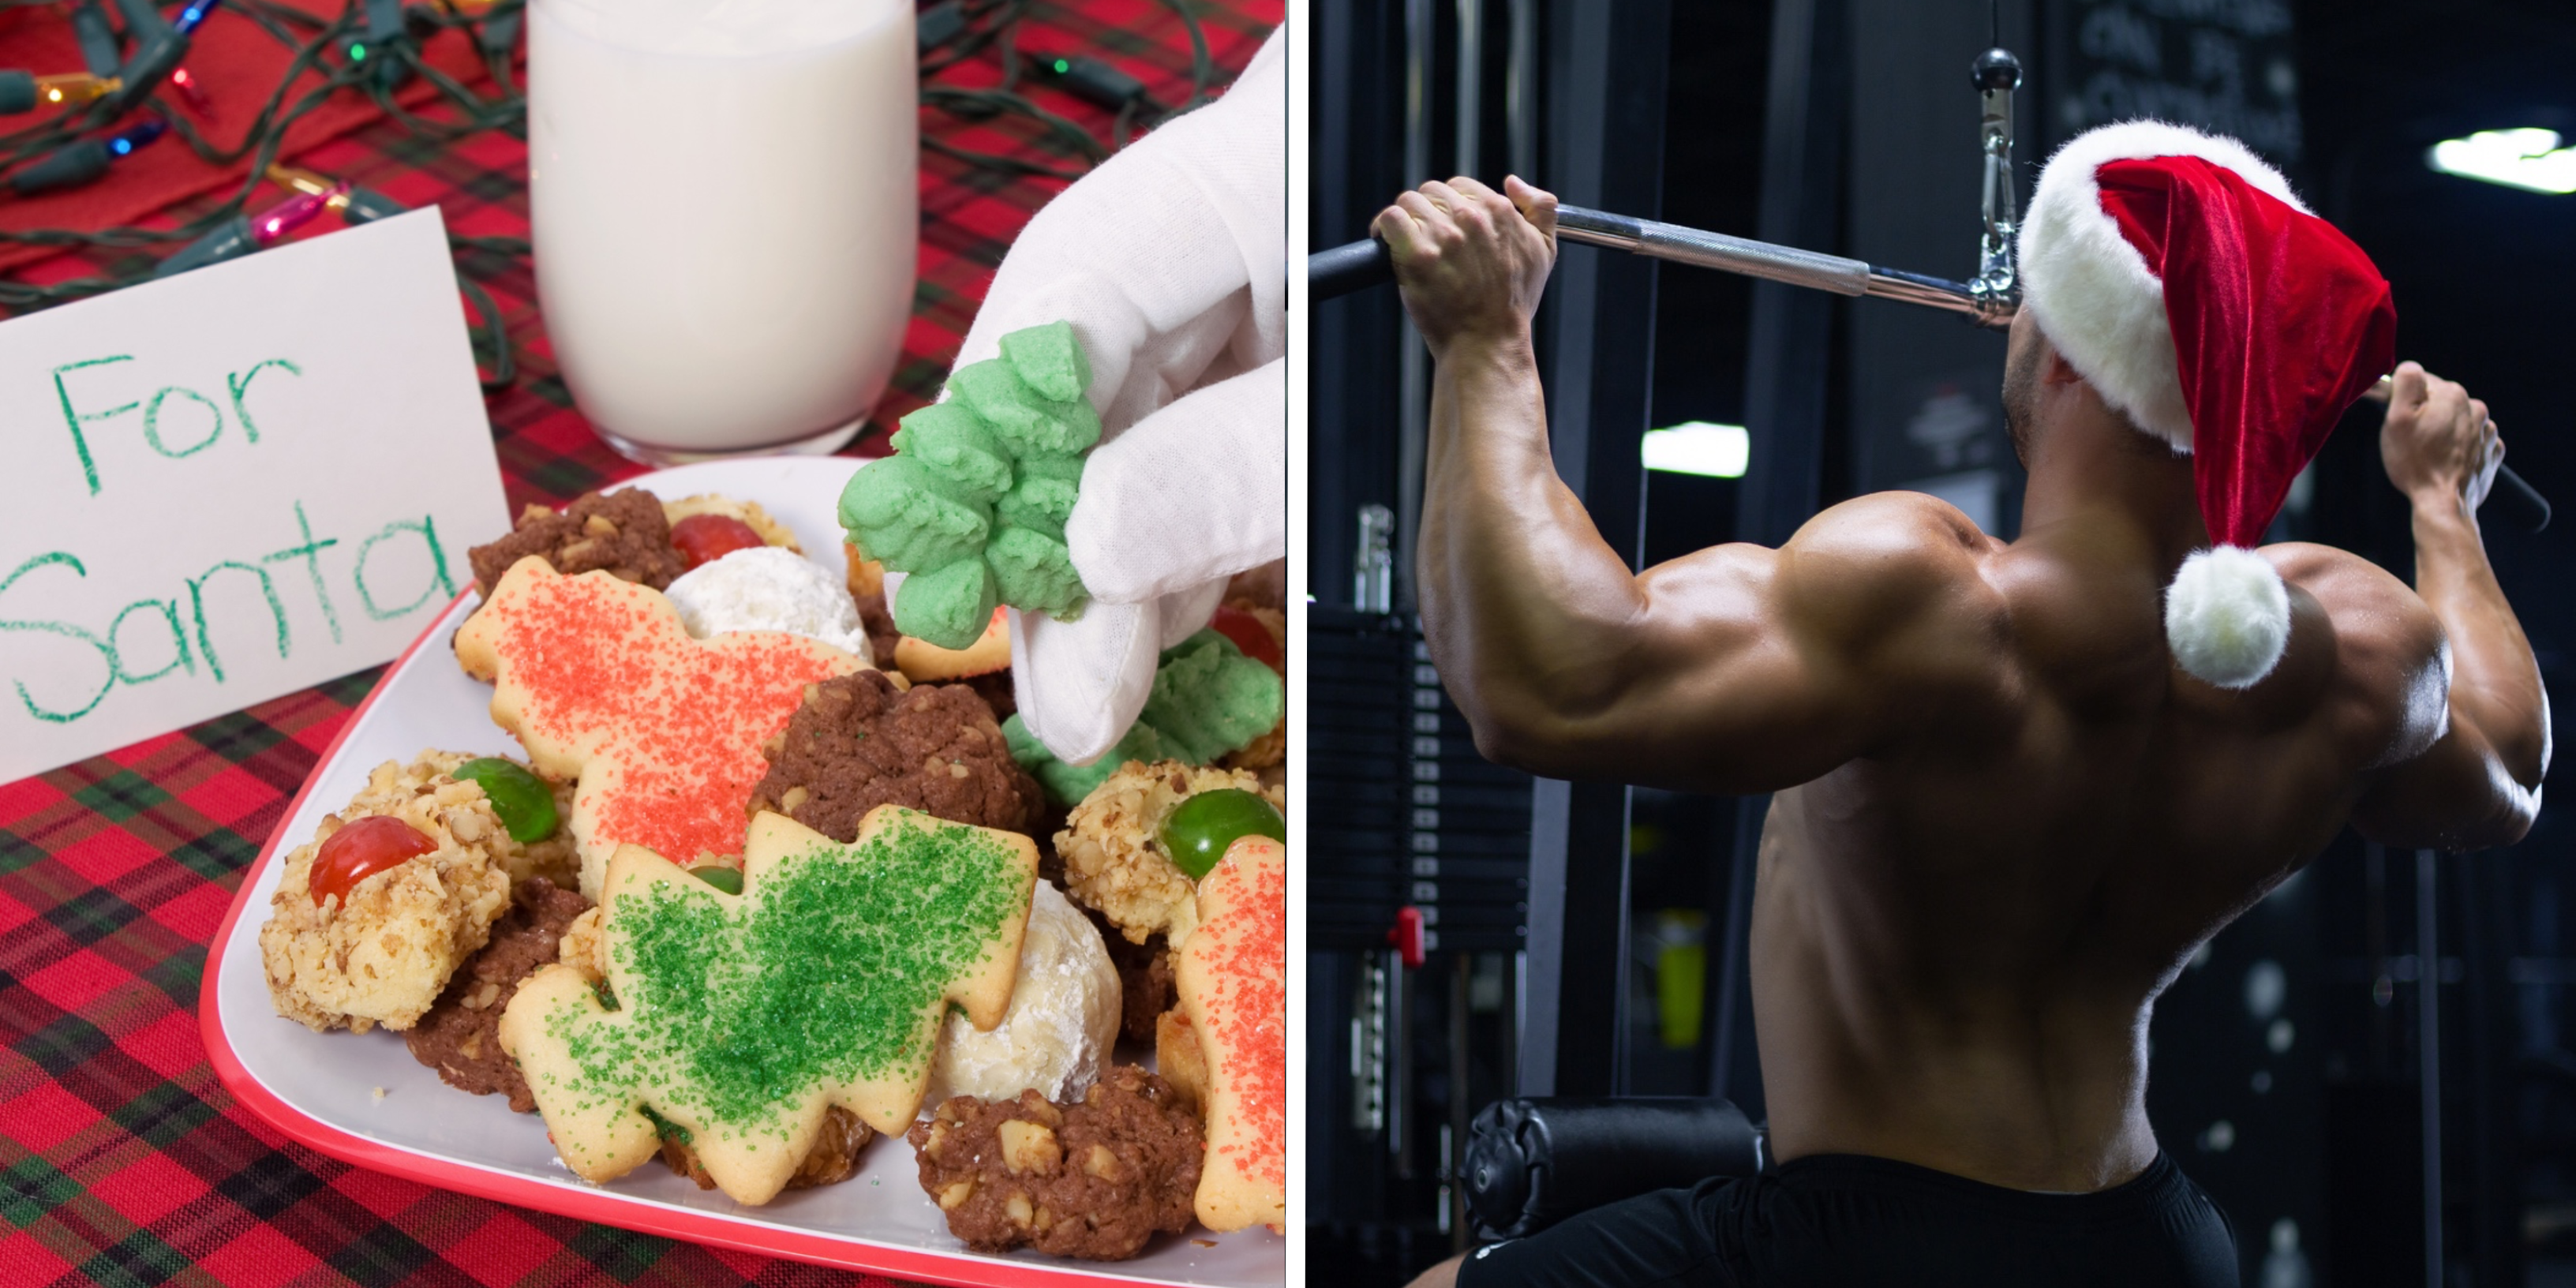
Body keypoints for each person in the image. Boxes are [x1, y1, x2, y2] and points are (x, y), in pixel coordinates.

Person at [1381, 121, 2548, 1287]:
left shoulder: (1937, 599)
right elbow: (2505, 773)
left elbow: (1545, 683)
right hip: (2153, 1243)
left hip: (1876, 1245)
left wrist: (1486, 341)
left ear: (2073, 356)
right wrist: (2444, 501)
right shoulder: (2351, 646)